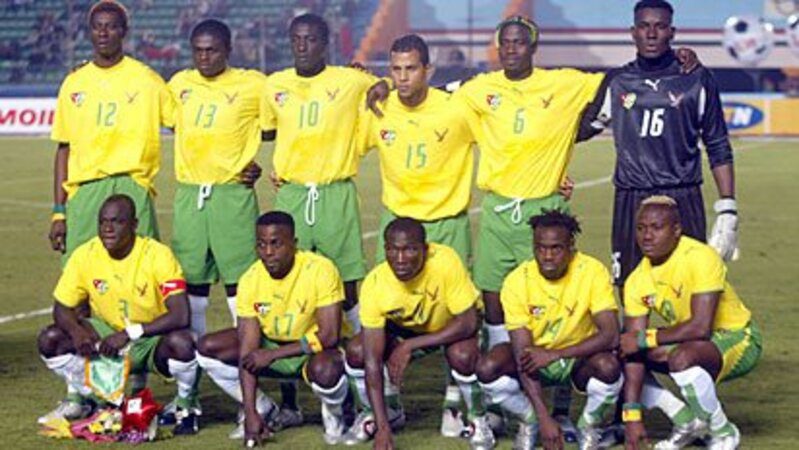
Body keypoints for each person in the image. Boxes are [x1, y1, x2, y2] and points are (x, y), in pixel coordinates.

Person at [355, 33, 478, 436]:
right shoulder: (379, 107)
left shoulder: (456, 109)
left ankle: (454, 404)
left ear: (429, 70)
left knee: (458, 318)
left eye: (411, 69)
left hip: (447, 223)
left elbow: (504, 140)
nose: (403, 78)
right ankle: (389, 406)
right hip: (398, 229)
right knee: (383, 318)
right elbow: (344, 143)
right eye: (396, 70)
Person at [261, 13, 379, 425]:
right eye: (296, 39)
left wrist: (371, 76)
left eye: (311, 39)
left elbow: (382, 90)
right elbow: (264, 131)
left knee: (347, 291)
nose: (303, 46)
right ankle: (291, 402)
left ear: (326, 43)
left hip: (335, 194)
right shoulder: (274, 86)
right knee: (290, 293)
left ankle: (365, 387)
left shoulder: (349, 80)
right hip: (292, 194)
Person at [578, 0, 739, 292]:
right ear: (633, 32)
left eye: (660, 26)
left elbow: (717, 144)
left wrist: (727, 208)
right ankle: (634, 339)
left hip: (683, 197)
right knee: (629, 291)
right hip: (632, 198)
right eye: (644, 26)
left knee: (692, 290)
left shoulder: (696, 79)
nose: (651, 34)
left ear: (672, 32)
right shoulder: (617, 81)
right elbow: (582, 130)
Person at [36, 195, 200, 434]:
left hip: (149, 341)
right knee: (50, 339)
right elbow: (61, 307)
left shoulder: (157, 255)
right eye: (102, 222)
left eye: (116, 222)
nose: (107, 229)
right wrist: (77, 332)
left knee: (182, 342)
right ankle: (90, 397)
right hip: (105, 338)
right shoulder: (85, 254)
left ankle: (185, 406)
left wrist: (130, 333)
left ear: (134, 225)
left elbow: (180, 315)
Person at [619, 196, 760, 450]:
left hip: (739, 337)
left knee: (681, 358)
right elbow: (632, 349)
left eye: (656, 228)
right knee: (623, 354)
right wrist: (632, 415)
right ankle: (687, 422)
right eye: (641, 228)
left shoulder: (700, 256)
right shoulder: (636, 280)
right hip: (692, 343)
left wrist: (644, 339)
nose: (647, 236)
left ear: (676, 230)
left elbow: (701, 327)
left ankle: (724, 433)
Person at [195, 211, 349, 445]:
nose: (268, 252)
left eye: (276, 244)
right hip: (272, 347)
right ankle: (262, 407)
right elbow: (248, 350)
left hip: (313, 351)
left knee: (327, 369)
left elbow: (329, 336)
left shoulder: (321, 270)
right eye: (261, 245)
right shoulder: (250, 279)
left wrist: (273, 354)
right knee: (207, 348)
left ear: (294, 244)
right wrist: (250, 412)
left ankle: (336, 415)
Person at [343, 218, 496, 450]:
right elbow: (372, 361)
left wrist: (409, 346)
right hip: (408, 329)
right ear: (385, 250)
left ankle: (478, 419)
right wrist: (383, 429)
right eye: (393, 250)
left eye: (410, 250)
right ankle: (379, 414)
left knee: (463, 355)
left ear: (426, 249)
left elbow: (468, 322)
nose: (401, 259)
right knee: (357, 351)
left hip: (452, 327)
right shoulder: (375, 283)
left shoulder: (445, 261)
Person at [475, 210, 622, 450]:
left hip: (577, 359)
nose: (547, 256)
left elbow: (611, 335)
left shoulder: (592, 271)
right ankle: (528, 420)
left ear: (571, 246)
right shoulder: (516, 281)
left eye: (556, 248)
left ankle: (589, 426)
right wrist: (543, 418)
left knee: (609, 367)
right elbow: (524, 355)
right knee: (487, 367)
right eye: (540, 248)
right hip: (536, 359)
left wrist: (557, 355)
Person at [48, 0, 172, 263]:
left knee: (142, 274)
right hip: (85, 192)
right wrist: (59, 212)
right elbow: (63, 149)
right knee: (78, 281)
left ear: (124, 31)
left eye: (111, 27)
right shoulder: (74, 83)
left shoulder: (146, 79)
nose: (103, 33)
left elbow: (185, 127)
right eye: (97, 27)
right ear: (90, 31)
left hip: (132, 188)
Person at [166, 18, 266, 337]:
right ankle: (191, 359)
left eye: (212, 50)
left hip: (232, 194)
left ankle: (247, 357)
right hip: (190, 194)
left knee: (242, 281)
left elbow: (282, 121)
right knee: (193, 281)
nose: (204, 57)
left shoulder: (253, 84)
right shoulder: (179, 84)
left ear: (228, 51)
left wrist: (258, 164)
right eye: (198, 51)